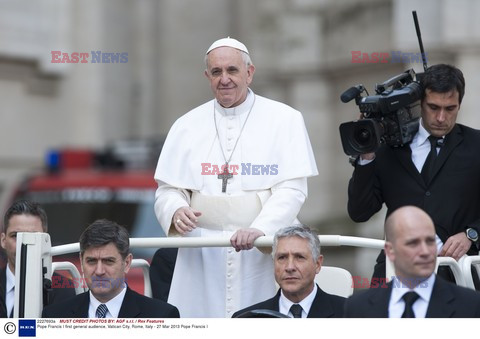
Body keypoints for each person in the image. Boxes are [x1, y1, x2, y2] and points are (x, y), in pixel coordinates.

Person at [153, 37, 318, 317]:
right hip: (201, 252)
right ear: (207, 77)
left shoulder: (284, 119)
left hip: (259, 250)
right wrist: (175, 209)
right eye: (216, 72)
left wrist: (260, 229)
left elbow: (292, 189)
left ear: (249, 73)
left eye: (232, 70)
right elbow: (168, 189)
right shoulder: (186, 125)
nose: (224, 79)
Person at [347, 64, 480, 282]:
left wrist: (471, 235)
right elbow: (359, 212)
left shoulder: (476, 145)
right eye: (433, 107)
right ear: (419, 103)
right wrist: (367, 155)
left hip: (458, 276)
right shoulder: (386, 149)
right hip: (394, 274)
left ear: (460, 105)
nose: (440, 118)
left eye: (450, 109)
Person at [344, 206, 480, 317]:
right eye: (413, 243)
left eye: (430, 241)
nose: (425, 251)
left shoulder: (470, 306)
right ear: (390, 251)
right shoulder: (357, 308)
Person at [42, 219, 180, 318]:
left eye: (108, 261)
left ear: (127, 263)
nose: (99, 271)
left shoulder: (161, 316)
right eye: (91, 261)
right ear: (81, 261)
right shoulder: (55, 316)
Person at [232, 225, 345, 318]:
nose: (290, 267)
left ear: (318, 264)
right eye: (282, 257)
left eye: (299, 257)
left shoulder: (350, 313)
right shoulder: (247, 319)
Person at [0, 200, 75, 318]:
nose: (24, 244)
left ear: (45, 240)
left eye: (33, 237)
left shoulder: (64, 290)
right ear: (3, 240)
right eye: (16, 236)